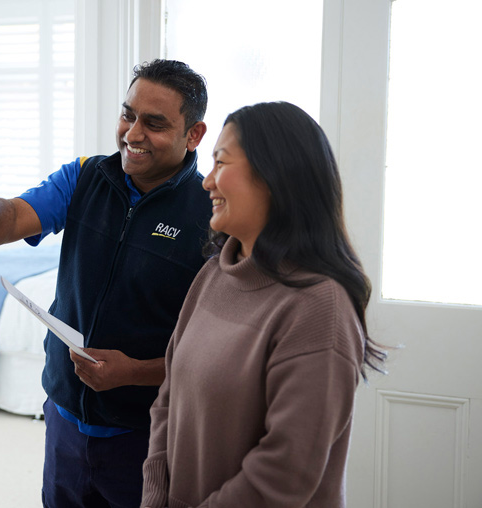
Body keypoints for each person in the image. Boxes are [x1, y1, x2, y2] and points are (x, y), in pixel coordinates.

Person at [0, 59, 212, 508]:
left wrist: (135, 373)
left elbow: (213, 352)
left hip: (148, 435)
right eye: (128, 114)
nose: (132, 133)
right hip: (64, 420)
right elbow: (10, 217)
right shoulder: (85, 176)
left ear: (194, 134)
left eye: (155, 123)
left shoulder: (209, 216)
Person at [141, 102, 387, 508]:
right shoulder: (214, 275)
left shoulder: (319, 307)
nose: (207, 182)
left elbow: (284, 471)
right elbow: (168, 399)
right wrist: (155, 498)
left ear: (275, 177)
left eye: (221, 162)